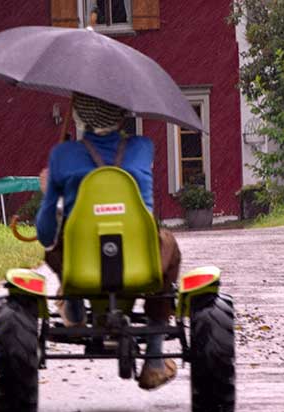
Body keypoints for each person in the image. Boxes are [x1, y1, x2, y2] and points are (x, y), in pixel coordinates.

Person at [36, 92, 181, 390]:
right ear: (122, 113)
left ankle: (73, 300)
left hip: (82, 267)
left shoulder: (62, 156)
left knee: (57, 243)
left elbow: (44, 233)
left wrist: (50, 185)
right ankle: (154, 357)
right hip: (139, 265)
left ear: (80, 116)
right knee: (169, 245)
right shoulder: (143, 147)